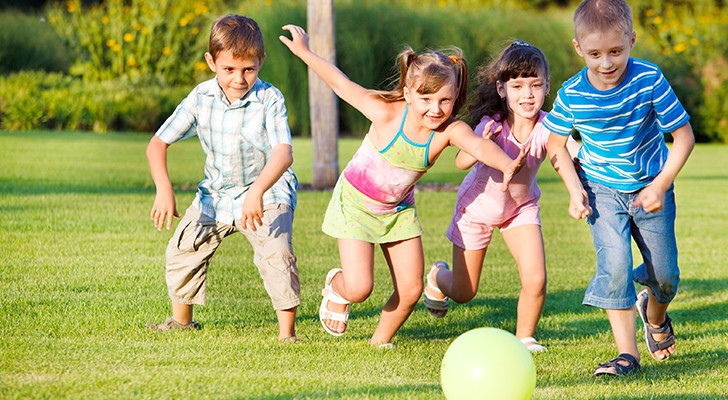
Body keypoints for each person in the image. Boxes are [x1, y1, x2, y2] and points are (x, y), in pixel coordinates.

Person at [279, 24, 526, 348]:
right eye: (426, 98)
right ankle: (338, 287)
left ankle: (378, 342)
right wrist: (305, 52)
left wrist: (507, 164)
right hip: (355, 205)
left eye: (445, 100)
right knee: (360, 287)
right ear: (409, 93)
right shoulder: (385, 113)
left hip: (397, 211)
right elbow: (341, 84)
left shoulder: (448, 131)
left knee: (410, 290)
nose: (435, 109)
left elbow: (478, 146)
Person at [543, 0, 695, 376]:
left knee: (665, 276)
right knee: (614, 267)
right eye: (594, 54)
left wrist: (661, 185)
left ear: (632, 40)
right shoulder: (573, 93)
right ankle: (627, 354)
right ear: (578, 48)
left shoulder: (649, 78)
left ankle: (654, 315)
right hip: (601, 190)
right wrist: (575, 190)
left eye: (616, 51)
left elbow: (684, 136)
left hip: (650, 188)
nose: (606, 63)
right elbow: (555, 144)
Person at [145, 15, 302, 343]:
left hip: (267, 190)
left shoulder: (270, 99)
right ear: (211, 62)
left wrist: (258, 190)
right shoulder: (201, 98)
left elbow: (283, 153)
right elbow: (158, 143)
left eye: (249, 69)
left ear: (261, 62)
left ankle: (287, 335)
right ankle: (181, 322)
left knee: (276, 253)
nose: (239, 79)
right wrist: (164, 189)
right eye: (229, 69)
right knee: (183, 248)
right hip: (216, 195)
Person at [423, 40, 580, 353]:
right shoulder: (490, 125)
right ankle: (438, 276)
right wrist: (479, 143)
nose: (527, 94)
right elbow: (460, 162)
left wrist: (583, 177)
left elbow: (567, 152)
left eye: (535, 85)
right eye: (518, 86)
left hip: (519, 210)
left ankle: (525, 337)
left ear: (547, 86)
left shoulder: (549, 126)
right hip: (476, 210)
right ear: (501, 89)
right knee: (464, 292)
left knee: (536, 278)